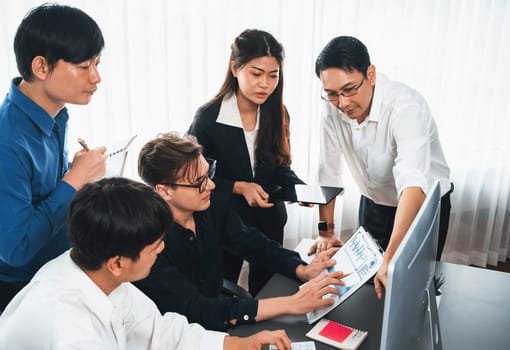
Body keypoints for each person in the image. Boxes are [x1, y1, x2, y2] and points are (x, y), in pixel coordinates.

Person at [0, 177, 293, 350]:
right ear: (117, 263)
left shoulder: (96, 269)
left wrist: (240, 344)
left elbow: (159, 331)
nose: (163, 248)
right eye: (155, 247)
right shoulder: (69, 331)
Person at [134, 132, 346, 331]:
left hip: (220, 308)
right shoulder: (148, 245)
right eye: (199, 183)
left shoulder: (210, 206)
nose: (211, 186)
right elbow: (197, 310)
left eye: (209, 174)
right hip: (185, 333)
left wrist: (300, 268)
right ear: (165, 191)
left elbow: (252, 243)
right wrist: (290, 303)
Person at [310, 36, 452, 299]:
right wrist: (326, 232)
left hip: (419, 205)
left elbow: (413, 183)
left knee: (410, 285)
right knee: (367, 283)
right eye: (331, 94)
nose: (342, 103)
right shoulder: (332, 110)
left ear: (371, 74)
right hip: (374, 200)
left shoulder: (405, 106)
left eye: (350, 89)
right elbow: (328, 171)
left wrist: (391, 256)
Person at [0, 4, 107, 310]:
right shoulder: (7, 142)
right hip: (22, 290)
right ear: (41, 67)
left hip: (61, 266)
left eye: (97, 63)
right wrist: (74, 180)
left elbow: (44, 196)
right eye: (84, 66)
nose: (96, 77)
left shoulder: (55, 113)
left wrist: (75, 177)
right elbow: (15, 250)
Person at [187, 29, 305, 296]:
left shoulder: (278, 113)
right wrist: (239, 187)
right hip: (224, 219)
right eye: (256, 74)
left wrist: (299, 188)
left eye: (273, 76)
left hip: (268, 218)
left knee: (269, 291)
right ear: (235, 68)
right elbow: (190, 177)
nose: (265, 84)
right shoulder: (209, 117)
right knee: (221, 290)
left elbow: (279, 167)